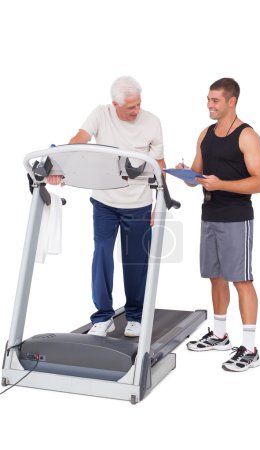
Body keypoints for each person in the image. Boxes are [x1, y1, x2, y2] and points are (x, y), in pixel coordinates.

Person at [48, 76, 166, 337]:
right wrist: (59, 167)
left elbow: (159, 165)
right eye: (130, 107)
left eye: (138, 105)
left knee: (135, 262)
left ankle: (135, 315)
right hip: (104, 202)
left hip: (139, 204)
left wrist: (161, 203)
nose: (136, 111)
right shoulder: (101, 114)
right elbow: (79, 138)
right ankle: (103, 317)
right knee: (101, 252)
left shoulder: (152, 122)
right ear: (115, 104)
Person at [178, 78, 260, 371]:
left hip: (236, 218)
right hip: (209, 215)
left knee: (241, 280)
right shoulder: (205, 134)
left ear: (232, 102)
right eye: (208, 99)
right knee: (215, 277)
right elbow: (198, 175)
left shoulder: (247, 136)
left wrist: (222, 184)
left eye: (215, 100)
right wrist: (186, 174)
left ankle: (251, 349)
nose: (209, 105)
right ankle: (219, 335)